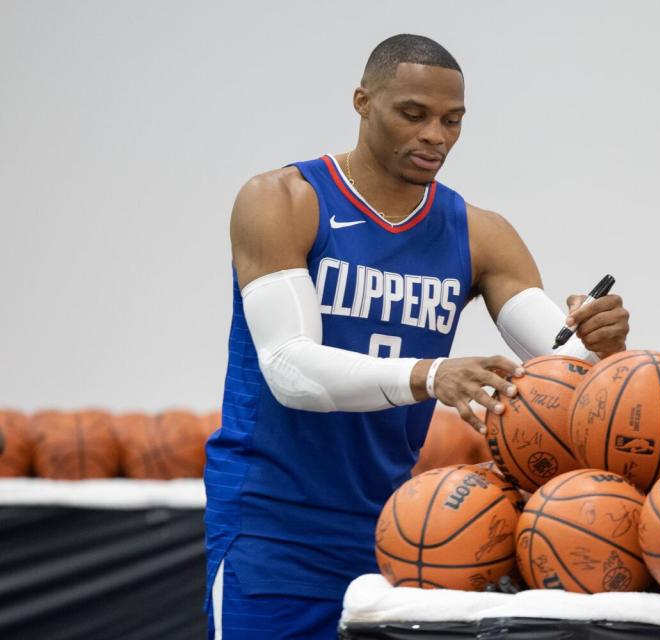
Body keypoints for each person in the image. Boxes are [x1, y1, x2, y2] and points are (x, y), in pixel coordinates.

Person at [204, 34, 631, 639]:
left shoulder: (479, 233)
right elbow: (288, 370)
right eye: (414, 114)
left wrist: (602, 345)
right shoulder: (282, 200)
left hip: (400, 529)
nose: (436, 135)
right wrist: (431, 375)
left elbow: (566, 366)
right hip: (272, 525)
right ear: (362, 102)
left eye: (452, 121)